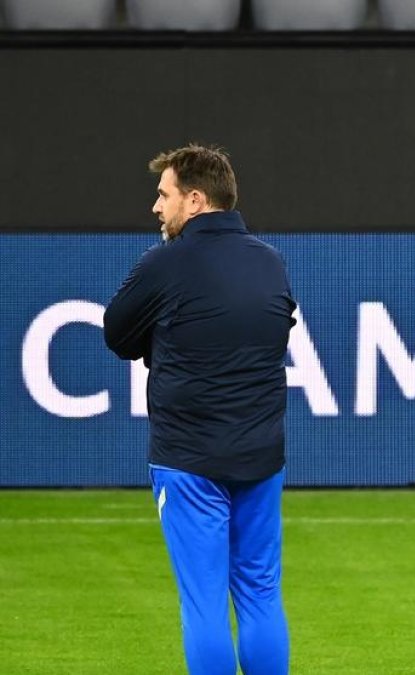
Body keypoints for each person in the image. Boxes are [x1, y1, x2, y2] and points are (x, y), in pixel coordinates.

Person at [104, 144, 295, 675]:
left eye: (164, 195)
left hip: (188, 461)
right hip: (260, 456)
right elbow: (274, 334)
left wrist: (161, 343)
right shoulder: (269, 261)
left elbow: (116, 335)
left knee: (204, 603)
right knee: (260, 594)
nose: (155, 207)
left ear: (194, 199)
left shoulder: (166, 263)